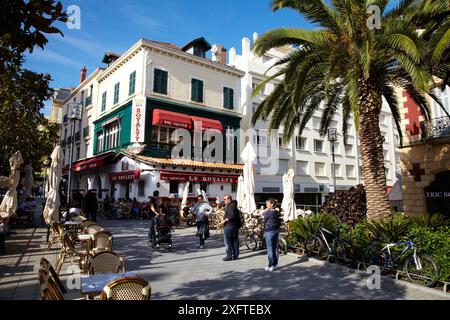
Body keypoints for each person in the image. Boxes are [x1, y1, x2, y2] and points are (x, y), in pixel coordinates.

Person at [261, 198, 282, 272]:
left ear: (271, 204)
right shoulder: (276, 212)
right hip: (276, 231)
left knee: (270, 249)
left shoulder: (269, 212)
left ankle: (271, 265)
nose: (266, 205)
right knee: (274, 248)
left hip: (269, 231)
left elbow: (263, 215)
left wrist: (267, 209)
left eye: (267, 204)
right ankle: (275, 264)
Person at [220, 195, 240, 261]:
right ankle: (236, 255)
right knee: (234, 241)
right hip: (234, 226)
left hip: (229, 226)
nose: (224, 200)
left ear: (229, 199)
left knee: (227, 242)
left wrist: (224, 220)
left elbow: (231, 216)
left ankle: (229, 256)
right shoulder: (233, 205)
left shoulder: (231, 206)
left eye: (225, 199)